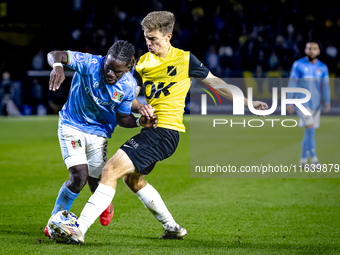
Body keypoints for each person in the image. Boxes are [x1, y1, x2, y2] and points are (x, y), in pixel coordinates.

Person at [51, 11, 268, 244]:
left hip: (166, 131)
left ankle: (79, 228)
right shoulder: (142, 63)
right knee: (132, 181)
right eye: (146, 37)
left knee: (110, 169)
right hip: (151, 130)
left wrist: (248, 103)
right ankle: (172, 228)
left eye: (153, 38)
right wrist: (140, 107)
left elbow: (218, 84)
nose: (148, 43)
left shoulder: (185, 60)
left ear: (168, 36)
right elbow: (128, 99)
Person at [45, 40, 158, 238]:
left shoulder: (129, 86)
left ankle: (105, 202)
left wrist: (141, 122)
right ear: (105, 59)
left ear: (128, 68)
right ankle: (55, 221)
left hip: (100, 132)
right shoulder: (90, 63)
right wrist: (57, 66)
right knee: (79, 176)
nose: (110, 74)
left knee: (96, 183)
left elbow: (123, 118)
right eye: (109, 67)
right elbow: (56, 54)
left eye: (117, 71)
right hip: (72, 124)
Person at [287, 42, 331, 167]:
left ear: (319, 51)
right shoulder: (298, 65)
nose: (312, 50)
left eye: (314, 48)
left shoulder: (322, 67)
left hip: (316, 105)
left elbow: (325, 86)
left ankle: (302, 160)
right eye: (309, 48)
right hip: (302, 103)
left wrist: (327, 101)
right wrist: (289, 101)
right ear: (305, 50)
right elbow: (292, 83)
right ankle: (315, 160)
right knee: (310, 130)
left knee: (309, 132)